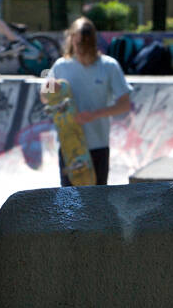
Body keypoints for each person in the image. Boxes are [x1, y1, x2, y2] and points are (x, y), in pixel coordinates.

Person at [41, 17, 133, 186]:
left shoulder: (109, 66)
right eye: (77, 45)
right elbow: (45, 96)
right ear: (71, 41)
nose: (81, 51)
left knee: (97, 201)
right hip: (70, 146)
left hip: (98, 144)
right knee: (70, 201)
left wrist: (95, 115)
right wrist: (48, 88)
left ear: (93, 43)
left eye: (85, 46)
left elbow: (124, 104)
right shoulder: (61, 65)